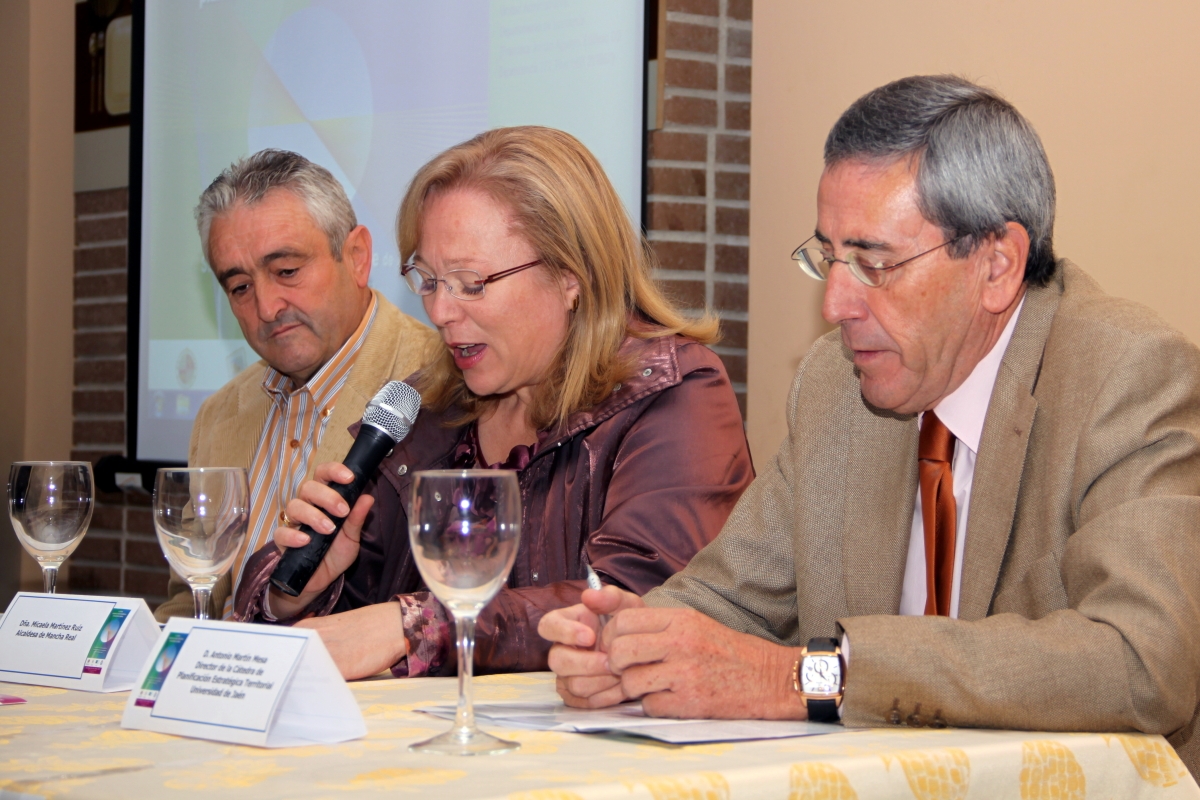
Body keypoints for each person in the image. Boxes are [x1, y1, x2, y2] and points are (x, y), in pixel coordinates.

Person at [540, 75, 1200, 777]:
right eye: (828, 257)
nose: (836, 305)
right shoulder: (836, 385)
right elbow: (726, 597)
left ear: (998, 265)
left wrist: (808, 678)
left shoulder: (1127, 376)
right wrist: (628, 644)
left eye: (873, 262)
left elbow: (1141, 658)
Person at [231, 126, 755, 680]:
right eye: (428, 280)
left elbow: (638, 599)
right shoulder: (425, 411)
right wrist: (303, 591)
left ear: (569, 275)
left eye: (470, 282)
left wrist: (416, 626)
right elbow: (347, 638)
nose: (439, 312)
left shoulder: (672, 391)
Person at [154, 149, 440, 622]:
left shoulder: (439, 385)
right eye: (240, 287)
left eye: (286, 271)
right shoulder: (218, 415)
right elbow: (189, 602)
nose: (266, 306)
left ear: (357, 257)